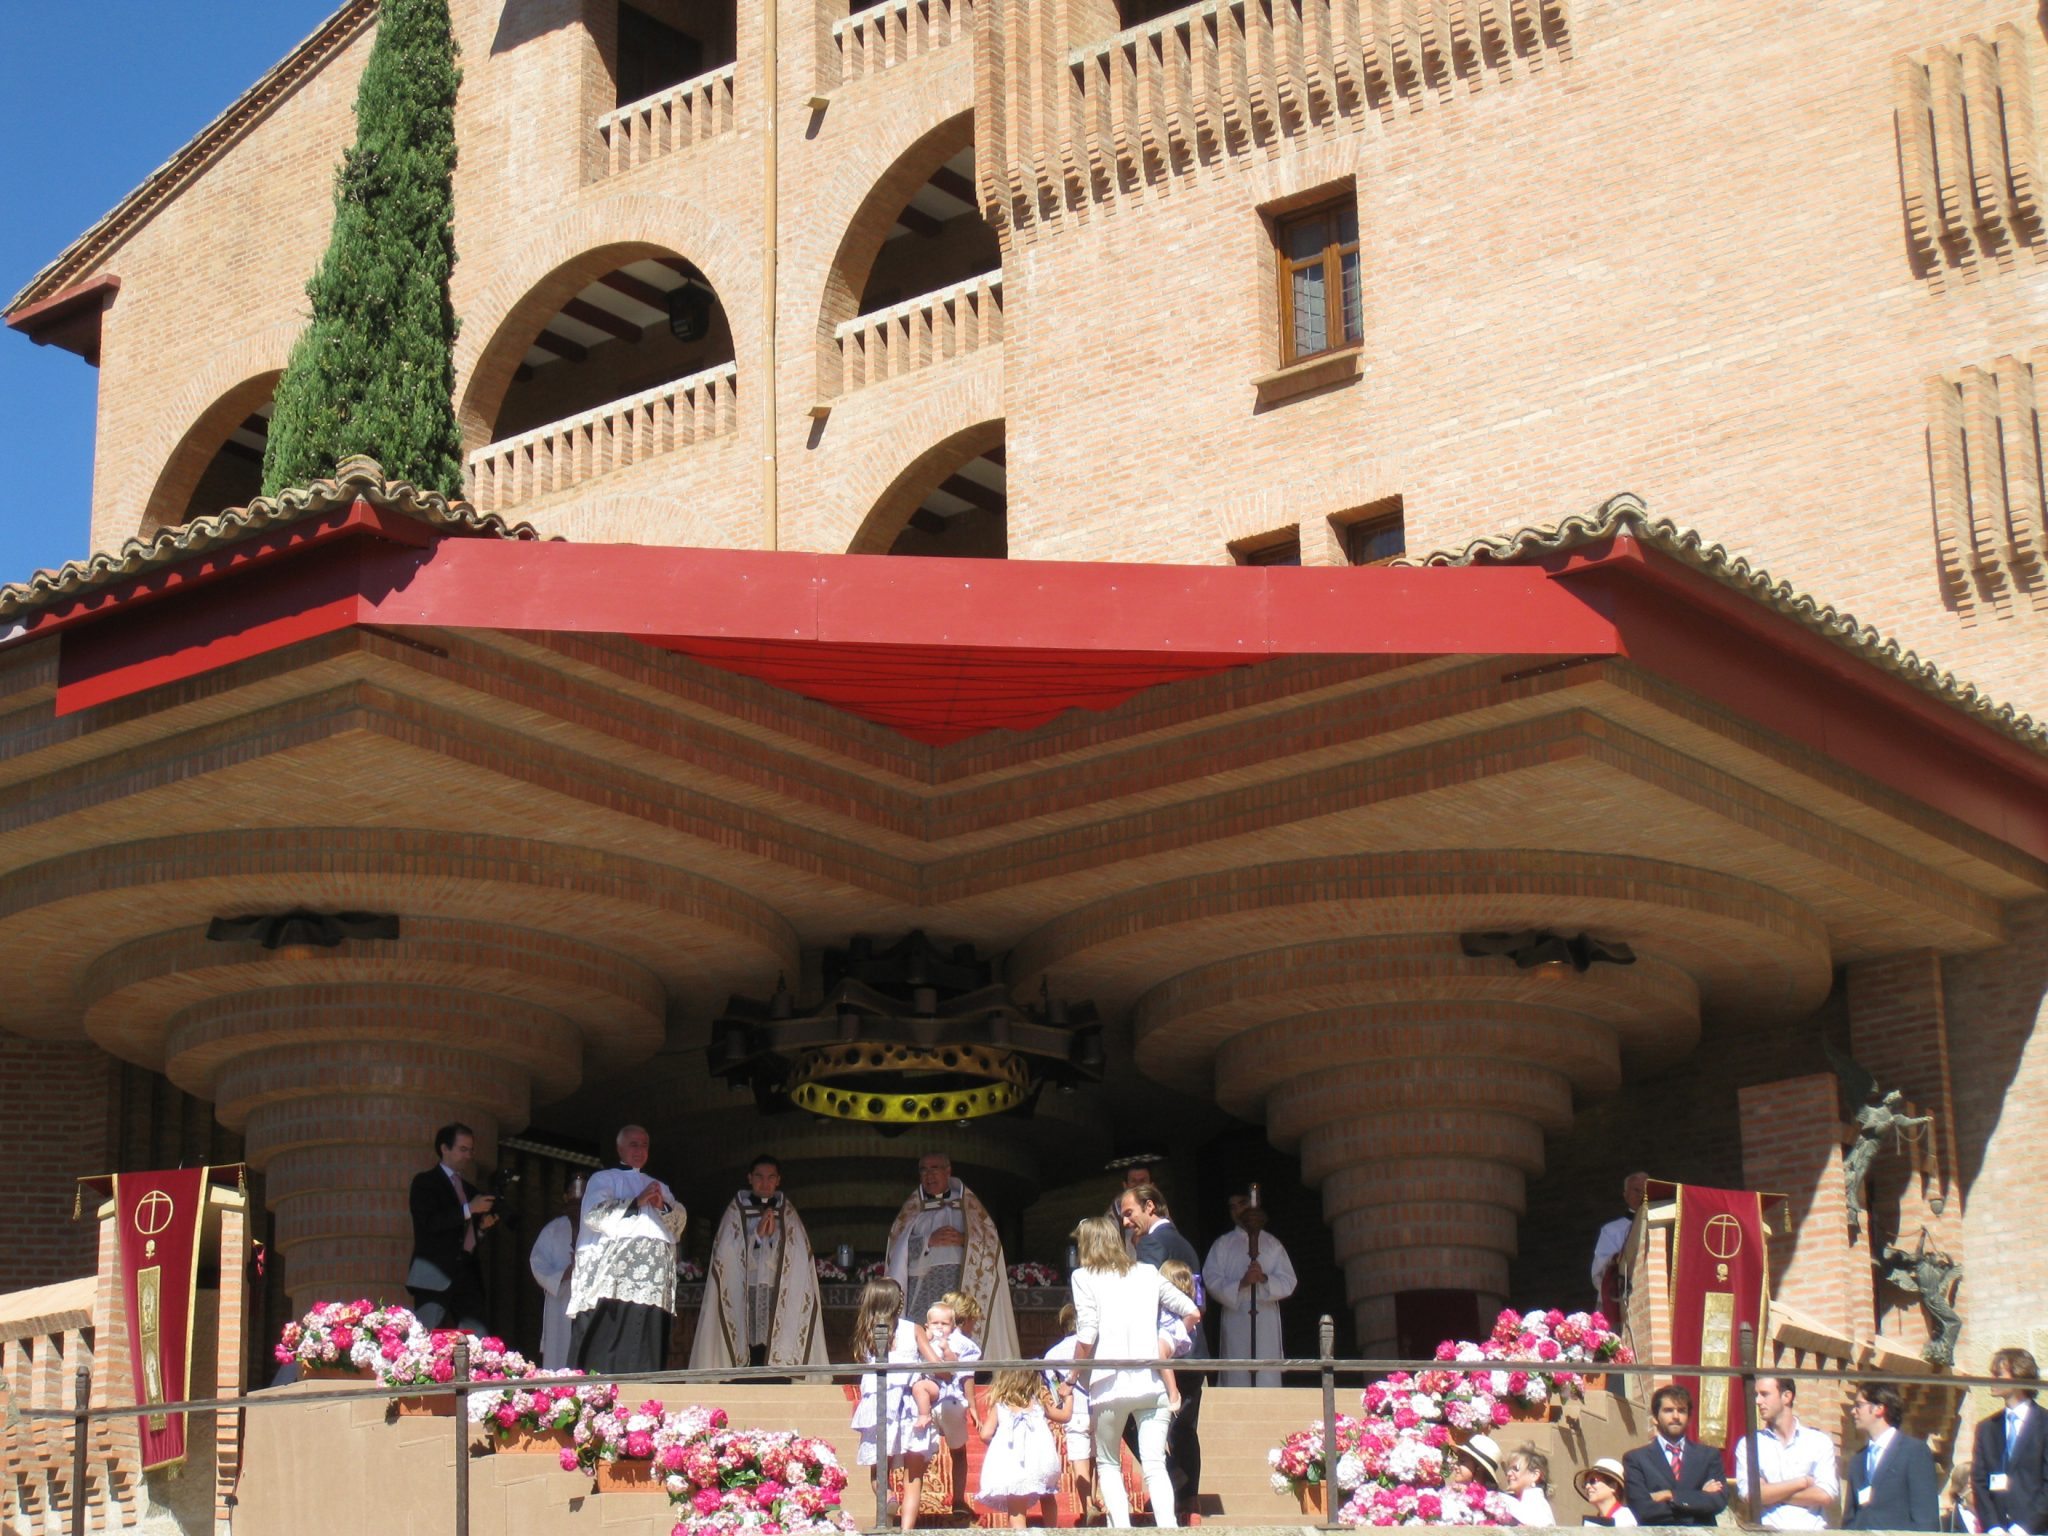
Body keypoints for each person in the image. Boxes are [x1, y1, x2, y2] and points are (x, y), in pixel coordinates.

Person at [1062, 1214, 1201, 1528]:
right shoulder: (1147, 1272)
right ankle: (1168, 1528)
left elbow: (1087, 1334)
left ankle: (1122, 1530)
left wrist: (1071, 1378)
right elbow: (1192, 1311)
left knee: (1109, 1464)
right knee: (1155, 1464)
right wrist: (1168, 1342)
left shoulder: (1084, 1276)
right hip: (1152, 1382)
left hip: (1109, 1384)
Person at [689, 1153, 829, 1371]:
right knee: (747, 1334)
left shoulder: (787, 1213)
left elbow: (798, 1254)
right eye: (759, 1177)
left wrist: (772, 1239)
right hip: (746, 1286)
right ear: (750, 1178)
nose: (765, 1183)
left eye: (771, 1177)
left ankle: (777, 1377)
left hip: (776, 1287)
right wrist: (756, 1236)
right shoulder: (736, 1211)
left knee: (773, 1333)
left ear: (778, 1180)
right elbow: (726, 1252)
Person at [566, 1124, 686, 1375]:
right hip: (616, 1279)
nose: (640, 1150)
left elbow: (678, 1222)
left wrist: (662, 1206)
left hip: (654, 1282)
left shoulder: (659, 1186)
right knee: (612, 1339)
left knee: (647, 1341)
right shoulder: (604, 1179)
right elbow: (594, 1216)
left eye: (644, 1145)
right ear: (619, 1148)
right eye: (633, 1144)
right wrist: (636, 1201)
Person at [1119, 1184, 1208, 1520]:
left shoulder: (1152, 1243)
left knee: (1128, 1416)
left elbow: (1143, 1293)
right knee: (1184, 1427)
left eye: (1129, 1213)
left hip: (1163, 1347)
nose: (1125, 1222)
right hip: (1193, 1346)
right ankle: (1189, 1500)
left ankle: (1172, 1481)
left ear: (1150, 1206)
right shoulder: (1184, 1243)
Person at [885, 1152, 1021, 1361]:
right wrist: (928, 1241)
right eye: (923, 1170)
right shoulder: (913, 1209)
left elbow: (990, 1244)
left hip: (960, 1281)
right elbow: (897, 1250)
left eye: (935, 1168)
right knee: (923, 1332)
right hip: (923, 1285)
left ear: (948, 1171)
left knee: (960, 1327)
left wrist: (965, 1240)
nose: (929, 1175)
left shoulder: (969, 1206)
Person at [850, 1277, 936, 1531]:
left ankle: (887, 1497)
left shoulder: (866, 1332)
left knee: (878, 1470)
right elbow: (936, 1364)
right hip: (909, 1402)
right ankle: (907, 1530)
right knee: (914, 1476)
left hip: (879, 1402)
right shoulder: (914, 1329)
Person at [406, 1122, 496, 1332]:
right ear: (444, 1148)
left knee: (475, 1338)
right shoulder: (426, 1182)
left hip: (467, 1273)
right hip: (434, 1274)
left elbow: (465, 1234)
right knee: (426, 1336)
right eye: (462, 1149)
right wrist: (469, 1209)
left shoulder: (470, 1189)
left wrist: (481, 1229)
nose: (468, 1156)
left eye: (470, 1150)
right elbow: (430, 1222)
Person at [1201, 1192, 1298, 1387]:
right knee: (1237, 1371)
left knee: (1266, 1372)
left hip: (1265, 1316)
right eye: (1233, 1207)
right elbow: (1211, 1279)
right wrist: (1241, 1283)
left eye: (1242, 1203)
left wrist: (1264, 1279)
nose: (1238, 1210)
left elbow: (1289, 1281)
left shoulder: (1272, 1244)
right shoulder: (1223, 1244)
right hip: (1236, 1315)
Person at [1733, 1376, 1839, 1528]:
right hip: (1768, 1531)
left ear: (1787, 1396)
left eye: (1765, 1394)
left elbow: (1825, 1495)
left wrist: (1770, 1493)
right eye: (1756, 1395)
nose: (1758, 1401)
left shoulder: (1818, 1442)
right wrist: (1802, 1482)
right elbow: (1751, 1495)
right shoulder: (1749, 1444)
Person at [975, 1366, 1072, 1528]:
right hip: (1041, 1460)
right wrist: (1069, 1397)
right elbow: (1065, 1416)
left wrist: (1000, 1446)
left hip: (1015, 1464)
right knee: (1047, 1494)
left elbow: (985, 1434)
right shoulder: (1038, 1402)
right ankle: (1052, 1529)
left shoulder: (1001, 1405)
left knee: (1016, 1508)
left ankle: (1020, 1531)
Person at [1622, 1384, 1728, 1526]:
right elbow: (1642, 1509)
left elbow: (1718, 1502)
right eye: (1668, 1410)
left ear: (1689, 1418)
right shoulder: (1636, 1459)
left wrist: (1670, 1495)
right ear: (1655, 1418)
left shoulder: (1708, 1456)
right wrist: (1697, 1498)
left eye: (1682, 1411)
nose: (1676, 1416)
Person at [1972, 1348, 2048, 1534]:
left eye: (1998, 1374)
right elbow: (1979, 1481)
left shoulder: (2045, 1424)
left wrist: (2024, 1528)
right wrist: (1993, 1527)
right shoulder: (1987, 1428)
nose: (1991, 1379)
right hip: (1997, 1529)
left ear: (2020, 1376)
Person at [1846, 1380, 1939, 1530]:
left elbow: (1926, 1517)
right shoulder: (1858, 1459)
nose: (1853, 1411)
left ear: (1879, 1408)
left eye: (1859, 1405)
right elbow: (1850, 1518)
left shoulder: (1913, 1452)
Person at [527, 1174, 584, 1370]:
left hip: (589, 1299)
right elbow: (537, 1262)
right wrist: (564, 1274)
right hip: (561, 1299)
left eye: (584, 1194)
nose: (578, 1199)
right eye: (574, 1193)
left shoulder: (598, 1230)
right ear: (565, 1197)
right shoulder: (553, 1229)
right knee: (560, 1352)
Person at [1044, 1303, 1094, 1518]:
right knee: (1096, 1458)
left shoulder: (1052, 1354)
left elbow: (1054, 1387)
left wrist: (1062, 1403)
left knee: (1080, 1460)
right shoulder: (1095, 1347)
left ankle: (1087, 1505)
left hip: (1076, 1411)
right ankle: (1095, 1497)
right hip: (1099, 1407)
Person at [1590, 1171, 1649, 1315]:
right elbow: (1600, 1270)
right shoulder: (1611, 1230)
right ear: (1626, 1195)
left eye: (1646, 1191)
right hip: (1623, 1299)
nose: (1642, 1195)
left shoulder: (1660, 1226)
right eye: (1636, 1190)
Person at [1157, 1260, 1198, 1414]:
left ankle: (1173, 1392)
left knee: (1159, 1350)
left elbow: (1193, 1316)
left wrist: (1179, 1332)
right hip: (1161, 1332)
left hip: (1168, 1333)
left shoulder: (1176, 1307)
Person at [1503, 1443, 1556, 1525]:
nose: (1509, 1473)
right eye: (1509, 1469)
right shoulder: (1516, 1500)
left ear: (1534, 1475)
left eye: (1515, 1469)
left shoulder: (1538, 1505)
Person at [1576, 1458, 1638, 1527]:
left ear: (1613, 1486)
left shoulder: (1624, 1517)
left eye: (1592, 1481)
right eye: (1585, 1483)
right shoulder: (1594, 1522)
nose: (1587, 1486)